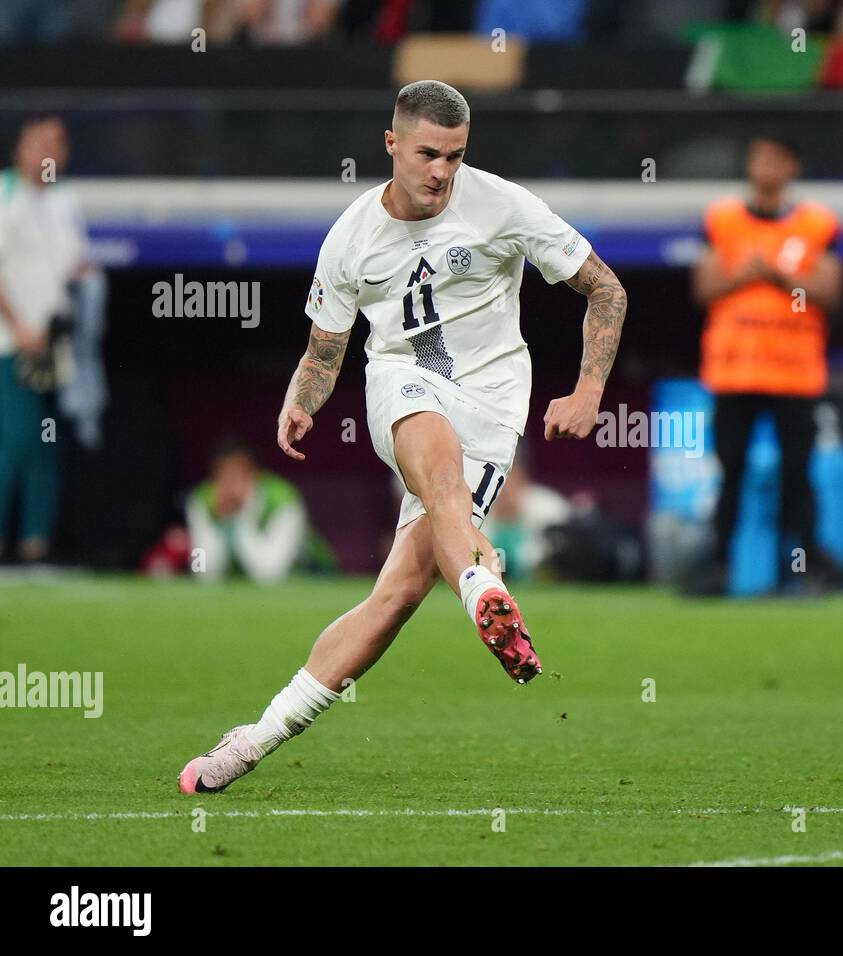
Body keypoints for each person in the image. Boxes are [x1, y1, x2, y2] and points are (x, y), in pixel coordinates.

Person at [177, 80, 626, 794]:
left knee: (398, 593)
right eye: (427, 154)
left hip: (496, 405)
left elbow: (607, 288)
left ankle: (253, 739)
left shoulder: (504, 206)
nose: (442, 171)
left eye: (454, 156)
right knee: (434, 458)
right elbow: (326, 351)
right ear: (391, 145)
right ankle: (482, 583)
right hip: (402, 381)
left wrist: (590, 390)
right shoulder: (351, 237)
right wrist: (304, 398)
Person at [692, 134, 843, 593]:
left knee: (798, 475)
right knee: (731, 473)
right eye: (761, 158)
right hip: (735, 371)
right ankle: (719, 570)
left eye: (778, 159)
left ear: (793, 168)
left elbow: (831, 290)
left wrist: (776, 275)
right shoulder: (722, 220)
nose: (768, 168)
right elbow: (703, 287)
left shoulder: (818, 223)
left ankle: (800, 570)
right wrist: (745, 274)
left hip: (795, 373)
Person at [0, 115, 88, 564]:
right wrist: (18, 327)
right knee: (12, 439)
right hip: (11, 346)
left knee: (45, 445)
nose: (49, 152)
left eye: (58, 143)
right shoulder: (4, 194)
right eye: (40, 142)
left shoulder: (64, 202)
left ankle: (35, 543)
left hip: (55, 348)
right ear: (21, 148)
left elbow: (72, 263)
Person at [185, 438, 331, 584]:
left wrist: (243, 515)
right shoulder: (202, 499)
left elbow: (270, 574)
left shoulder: (283, 500)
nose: (230, 487)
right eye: (223, 477)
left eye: (237, 476)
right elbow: (204, 573)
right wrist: (223, 519)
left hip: (311, 576)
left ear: (255, 475)